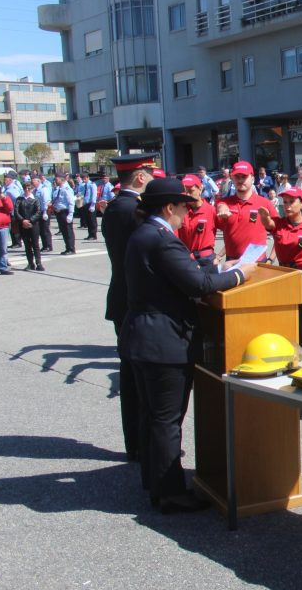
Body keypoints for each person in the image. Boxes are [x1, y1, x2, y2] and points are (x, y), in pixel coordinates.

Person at [120, 177, 254, 513]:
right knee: (167, 420)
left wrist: (217, 268)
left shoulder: (145, 235)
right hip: (163, 342)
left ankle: (155, 483)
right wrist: (241, 274)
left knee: (153, 416)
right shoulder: (163, 240)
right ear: (169, 208)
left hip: (142, 336)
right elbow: (198, 284)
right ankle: (170, 493)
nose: (186, 213)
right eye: (182, 207)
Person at [102, 153, 158, 462]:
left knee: (131, 372)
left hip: (122, 298)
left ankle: (135, 443)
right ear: (139, 177)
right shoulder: (134, 210)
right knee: (141, 377)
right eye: (149, 175)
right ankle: (142, 444)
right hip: (136, 301)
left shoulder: (116, 206)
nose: (151, 180)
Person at [259, 187, 302, 352]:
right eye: (284, 202)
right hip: (284, 275)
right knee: (285, 319)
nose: (287, 206)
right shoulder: (279, 224)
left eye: (292, 202)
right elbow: (269, 223)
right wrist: (264, 216)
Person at [215, 161, 277, 261]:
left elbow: (279, 233)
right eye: (237, 177)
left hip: (257, 262)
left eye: (244, 177)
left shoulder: (264, 203)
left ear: (252, 178)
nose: (240, 180)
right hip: (232, 262)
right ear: (232, 178)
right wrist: (218, 256)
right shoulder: (224, 203)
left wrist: (271, 259)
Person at [177, 174, 217, 268]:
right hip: (185, 259)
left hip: (206, 260)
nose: (187, 195)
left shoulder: (211, 211)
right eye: (185, 191)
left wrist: (220, 255)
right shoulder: (180, 211)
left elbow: (230, 232)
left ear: (200, 188)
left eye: (191, 191)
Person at [13, 180, 44, 271]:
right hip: (23, 224)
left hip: (33, 225)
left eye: (29, 188)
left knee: (36, 245)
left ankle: (39, 263)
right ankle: (30, 263)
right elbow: (16, 211)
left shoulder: (36, 199)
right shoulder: (19, 199)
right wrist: (23, 221)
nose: (27, 190)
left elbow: (38, 212)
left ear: (32, 188)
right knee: (27, 245)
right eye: (25, 188)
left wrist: (30, 220)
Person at [51, 172, 76, 255]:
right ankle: (67, 248)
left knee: (68, 231)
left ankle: (71, 249)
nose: (55, 180)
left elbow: (71, 202)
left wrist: (70, 214)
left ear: (61, 179)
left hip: (65, 212)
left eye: (56, 179)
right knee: (64, 231)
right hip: (59, 212)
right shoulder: (60, 188)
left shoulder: (66, 189)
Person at [32, 175, 53, 252]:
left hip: (44, 211)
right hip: (38, 212)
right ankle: (44, 245)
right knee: (41, 230)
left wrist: (45, 212)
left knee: (45, 229)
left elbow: (46, 201)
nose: (32, 182)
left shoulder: (43, 189)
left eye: (33, 181)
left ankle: (48, 245)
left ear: (38, 181)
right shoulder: (35, 190)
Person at [80, 171, 98, 240]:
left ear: (88, 178)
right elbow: (81, 195)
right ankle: (90, 234)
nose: (83, 180)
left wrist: (93, 204)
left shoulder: (92, 185)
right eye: (82, 179)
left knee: (92, 220)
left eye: (84, 178)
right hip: (85, 204)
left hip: (91, 204)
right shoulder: (83, 185)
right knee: (87, 220)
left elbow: (94, 195)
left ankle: (93, 235)